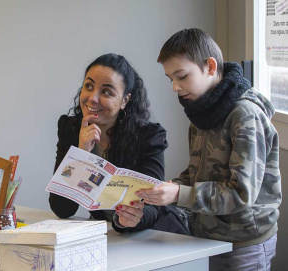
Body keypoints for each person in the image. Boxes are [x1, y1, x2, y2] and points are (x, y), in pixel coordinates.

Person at [137, 28, 281, 270]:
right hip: (207, 238)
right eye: (170, 78)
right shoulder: (201, 112)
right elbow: (197, 175)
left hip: (244, 244)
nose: (175, 87)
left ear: (211, 67)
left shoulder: (245, 116)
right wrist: (161, 190)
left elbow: (241, 194)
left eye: (181, 76)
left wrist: (178, 195)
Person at [49, 53, 190, 235]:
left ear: (124, 101)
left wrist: (126, 220)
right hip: (108, 236)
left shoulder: (149, 136)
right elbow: (62, 209)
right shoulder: (71, 128)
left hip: (156, 235)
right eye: (89, 86)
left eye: (106, 91)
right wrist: (81, 154)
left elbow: (152, 206)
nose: (93, 98)